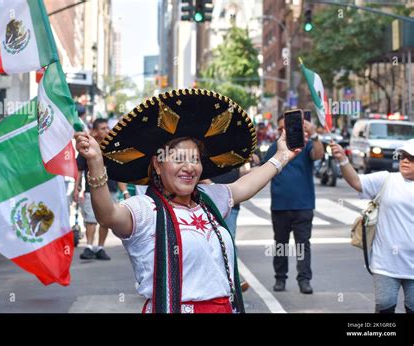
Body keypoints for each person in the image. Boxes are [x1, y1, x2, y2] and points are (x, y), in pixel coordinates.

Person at [74, 89, 301, 313]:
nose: (190, 167)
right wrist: (95, 163)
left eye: (195, 159)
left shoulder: (208, 200)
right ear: (158, 164)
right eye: (179, 159)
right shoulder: (145, 209)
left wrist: (282, 156)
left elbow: (244, 186)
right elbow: (107, 215)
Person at [330, 138, 414, 313]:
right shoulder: (387, 179)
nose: (405, 160)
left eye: (411, 158)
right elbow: (356, 182)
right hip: (386, 262)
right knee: (385, 305)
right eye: (402, 156)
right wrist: (343, 160)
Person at [262, 114, 324, 294]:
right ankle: (280, 278)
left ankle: (304, 280)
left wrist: (313, 135)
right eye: (280, 128)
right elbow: (263, 171)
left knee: (302, 245)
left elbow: (318, 154)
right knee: (280, 244)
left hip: (303, 206)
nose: (283, 131)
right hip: (280, 205)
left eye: (286, 128)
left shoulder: (304, 146)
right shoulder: (274, 147)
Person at [74, 118, 129, 261]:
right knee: (91, 219)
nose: (107, 130)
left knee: (107, 220)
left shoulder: (114, 148)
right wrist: (76, 188)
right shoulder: (87, 148)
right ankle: (89, 247)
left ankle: (100, 248)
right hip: (90, 190)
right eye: (103, 128)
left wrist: (125, 191)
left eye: (107, 128)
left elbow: (120, 174)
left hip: (111, 190)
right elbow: (79, 170)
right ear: (96, 131)